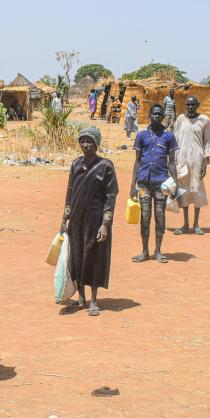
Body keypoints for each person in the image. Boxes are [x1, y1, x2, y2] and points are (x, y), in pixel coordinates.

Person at [59, 126, 118, 316]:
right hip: (77, 220)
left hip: (95, 221)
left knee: (93, 258)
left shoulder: (106, 166)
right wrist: (65, 218)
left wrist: (105, 224)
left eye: (89, 141)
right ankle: (81, 298)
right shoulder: (76, 164)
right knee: (77, 256)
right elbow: (69, 192)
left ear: (96, 144)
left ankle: (93, 300)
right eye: (82, 141)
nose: (85, 145)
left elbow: (111, 196)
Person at [130, 104, 178, 263]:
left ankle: (158, 251)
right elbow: (137, 162)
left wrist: (175, 184)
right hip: (143, 182)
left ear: (164, 116)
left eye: (160, 114)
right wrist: (132, 187)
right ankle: (145, 251)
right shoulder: (141, 135)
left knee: (159, 216)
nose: (157, 117)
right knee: (145, 217)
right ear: (149, 115)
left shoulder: (169, 136)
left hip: (161, 183)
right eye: (154, 114)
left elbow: (171, 163)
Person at [170, 96, 210, 235]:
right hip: (181, 159)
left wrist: (205, 161)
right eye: (188, 104)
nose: (190, 107)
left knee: (197, 190)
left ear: (197, 105)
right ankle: (185, 224)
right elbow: (175, 139)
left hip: (197, 159)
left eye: (192, 104)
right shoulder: (180, 119)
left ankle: (196, 224)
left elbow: (208, 141)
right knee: (183, 191)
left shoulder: (204, 120)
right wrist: (173, 159)